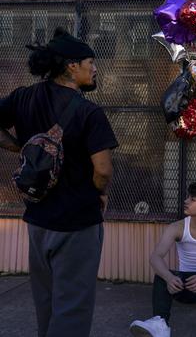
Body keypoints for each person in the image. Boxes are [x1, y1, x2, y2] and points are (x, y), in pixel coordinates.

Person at [0, 27, 118, 336]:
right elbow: (103, 169)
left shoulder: (23, 97)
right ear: (71, 66)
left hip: (38, 219)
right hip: (77, 224)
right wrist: (98, 193)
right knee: (73, 308)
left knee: (47, 302)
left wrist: (14, 144)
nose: (95, 69)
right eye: (90, 62)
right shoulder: (89, 112)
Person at [130, 182, 196, 337]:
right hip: (183, 287)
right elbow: (156, 257)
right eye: (188, 197)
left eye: (192, 199)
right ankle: (160, 324)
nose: (186, 201)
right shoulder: (177, 227)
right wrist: (169, 278)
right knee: (162, 275)